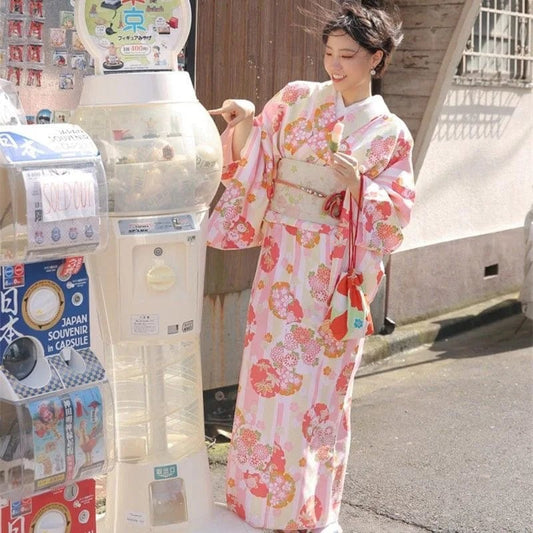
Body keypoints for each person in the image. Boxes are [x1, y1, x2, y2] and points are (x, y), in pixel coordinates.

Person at [207, 1, 415, 531]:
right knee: (265, 381)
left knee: (319, 394)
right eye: (328, 53)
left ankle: (308, 509)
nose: (334, 65)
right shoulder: (297, 100)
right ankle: (254, 504)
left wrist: (360, 187)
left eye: (348, 55)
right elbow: (261, 157)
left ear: (377, 59)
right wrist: (248, 121)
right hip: (281, 262)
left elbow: (396, 216)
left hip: (333, 275)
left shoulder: (390, 134)